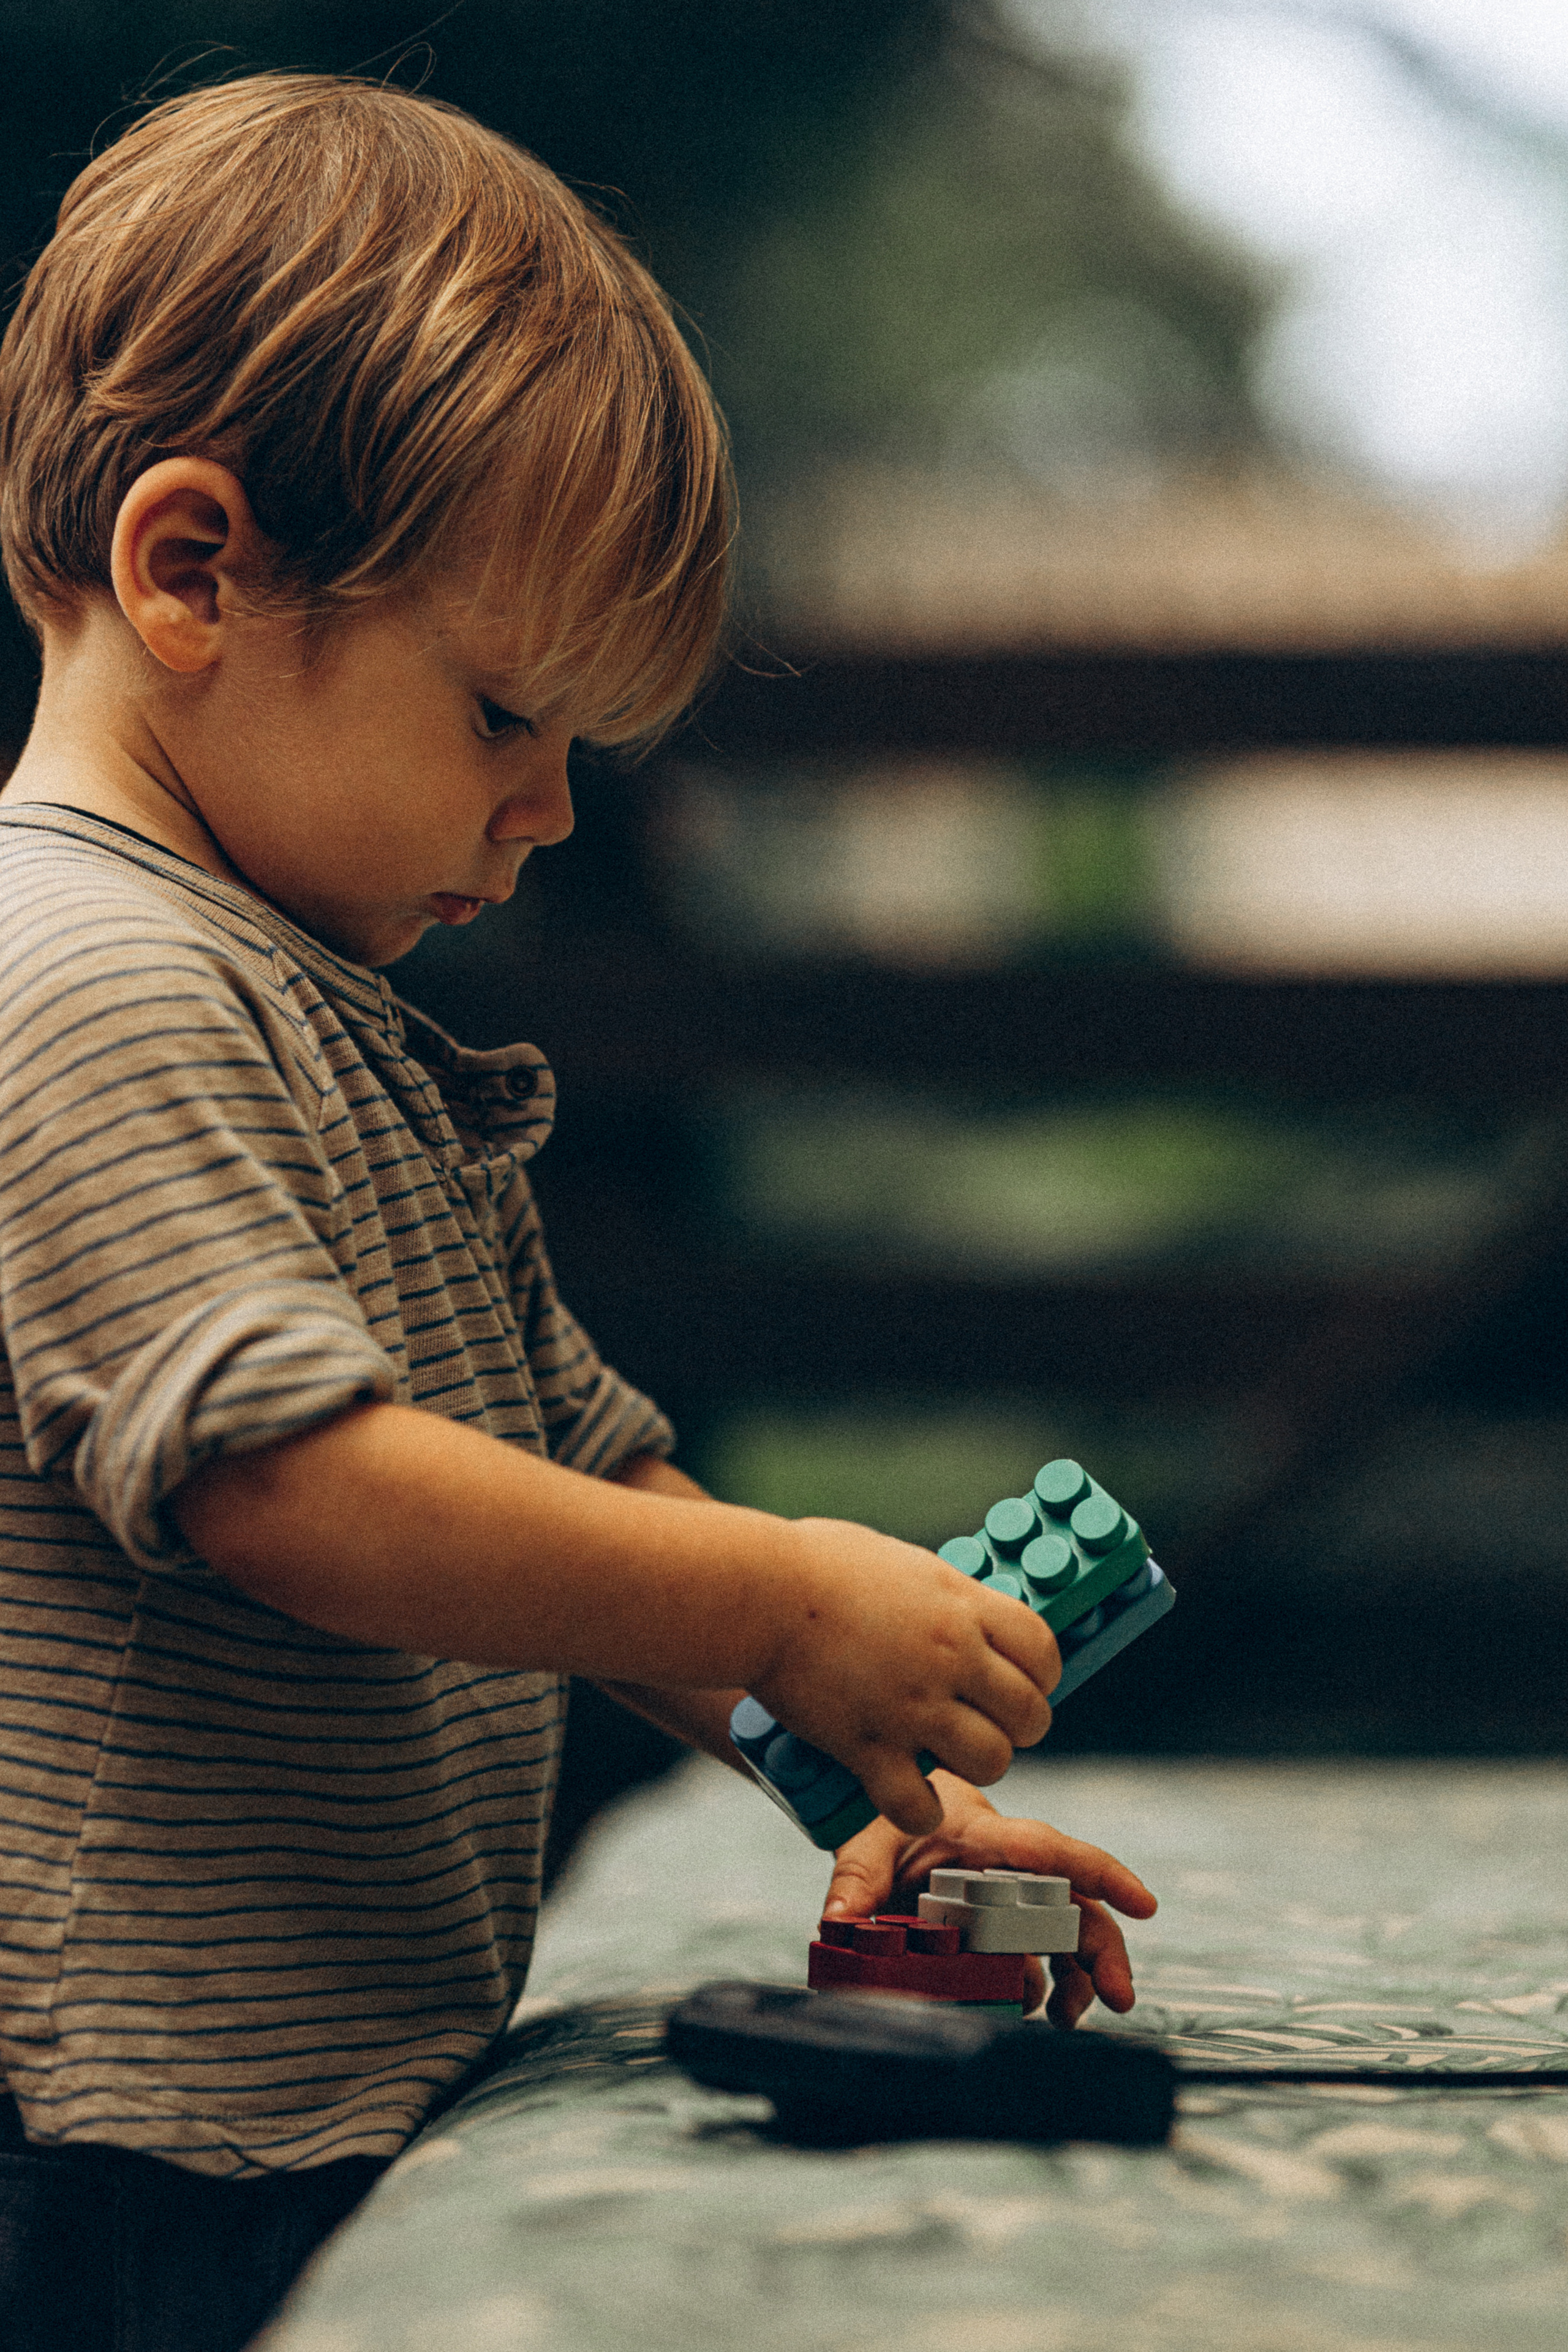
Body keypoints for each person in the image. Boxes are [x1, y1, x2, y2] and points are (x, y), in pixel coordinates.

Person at [0, 71, 1157, 2351]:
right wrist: (781, 1584)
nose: (543, 814)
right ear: (195, 567)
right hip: (108, 2152)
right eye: (508, 715)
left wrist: (853, 1756)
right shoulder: (87, 981)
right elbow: (295, 1490)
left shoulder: (323, 1009)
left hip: (297, 2105)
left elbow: (571, 1493)